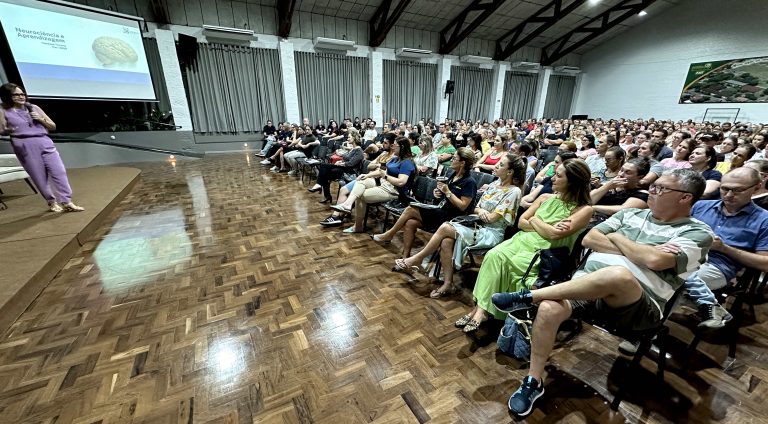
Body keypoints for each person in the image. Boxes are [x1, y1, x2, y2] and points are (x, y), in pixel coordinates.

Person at [492, 169, 713, 417]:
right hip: (586, 289)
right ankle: (534, 381)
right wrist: (639, 251)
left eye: (660, 188)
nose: (651, 189)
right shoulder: (630, 213)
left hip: (638, 306)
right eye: (654, 186)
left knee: (619, 276)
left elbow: (655, 260)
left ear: (685, 197)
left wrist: (618, 238)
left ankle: (530, 296)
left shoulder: (698, 232)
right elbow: (590, 238)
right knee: (549, 308)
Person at [456, 160, 593, 333]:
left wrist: (534, 220)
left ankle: (478, 311)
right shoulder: (545, 198)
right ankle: (480, 311)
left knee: (505, 260)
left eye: (558, 176)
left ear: (573, 182)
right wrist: (545, 225)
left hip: (546, 252)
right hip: (521, 240)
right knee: (493, 255)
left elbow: (553, 235)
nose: (552, 178)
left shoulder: (584, 210)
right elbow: (521, 222)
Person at [392, 153, 526, 298]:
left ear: (510, 172)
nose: (496, 166)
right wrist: (481, 211)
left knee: (445, 227)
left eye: (501, 165)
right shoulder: (494, 185)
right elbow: (475, 208)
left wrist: (482, 212)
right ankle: (448, 283)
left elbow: (493, 218)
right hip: (475, 223)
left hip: (491, 233)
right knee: (446, 241)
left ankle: (417, 258)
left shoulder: (514, 191)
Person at [682, 167, 768, 329]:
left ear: (757, 188)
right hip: (684, 254)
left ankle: (646, 330)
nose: (728, 195)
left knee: (671, 280)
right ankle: (710, 306)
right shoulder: (701, 206)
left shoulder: (764, 220)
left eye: (738, 190)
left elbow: (765, 263)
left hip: (717, 266)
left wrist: (724, 248)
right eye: (724, 189)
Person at [371, 147, 477, 256]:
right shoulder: (453, 175)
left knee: (411, 209)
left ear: (462, 163)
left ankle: (389, 234)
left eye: (454, 158)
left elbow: (463, 206)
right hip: (441, 211)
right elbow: (446, 196)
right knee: (410, 223)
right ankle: (405, 257)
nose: (451, 160)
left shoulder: (469, 182)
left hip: (452, 218)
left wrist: (448, 192)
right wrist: (438, 194)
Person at [0, 83, 83, 212]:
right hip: (24, 144)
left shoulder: (33, 107)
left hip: (44, 141)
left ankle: (66, 201)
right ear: (7, 96)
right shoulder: (3, 110)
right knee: (39, 176)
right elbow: (2, 130)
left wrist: (40, 119)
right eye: (16, 95)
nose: (21, 97)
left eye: (22, 94)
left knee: (59, 171)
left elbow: (53, 126)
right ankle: (52, 202)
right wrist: (9, 129)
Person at [329, 137, 416, 233]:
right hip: (384, 184)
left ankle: (357, 226)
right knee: (361, 181)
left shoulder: (407, 163)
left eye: (394, 145)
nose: (392, 147)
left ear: (402, 147)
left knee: (360, 195)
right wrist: (366, 175)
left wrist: (385, 176)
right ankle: (348, 204)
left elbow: (401, 182)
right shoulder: (395, 159)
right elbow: (380, 171)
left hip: (394, 191)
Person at [307, 129, 364, 204]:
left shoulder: (359, 151)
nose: (347, 139)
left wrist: (341, 163)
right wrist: (341, 162)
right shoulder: (353, 149)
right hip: (344, 168)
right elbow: (347, 159)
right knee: (324, 167)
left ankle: (321, 188)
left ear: (354, 138)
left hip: (350, 172)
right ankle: (321, 187)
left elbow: (351, 164)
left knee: (325, 173)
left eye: (349, 137)